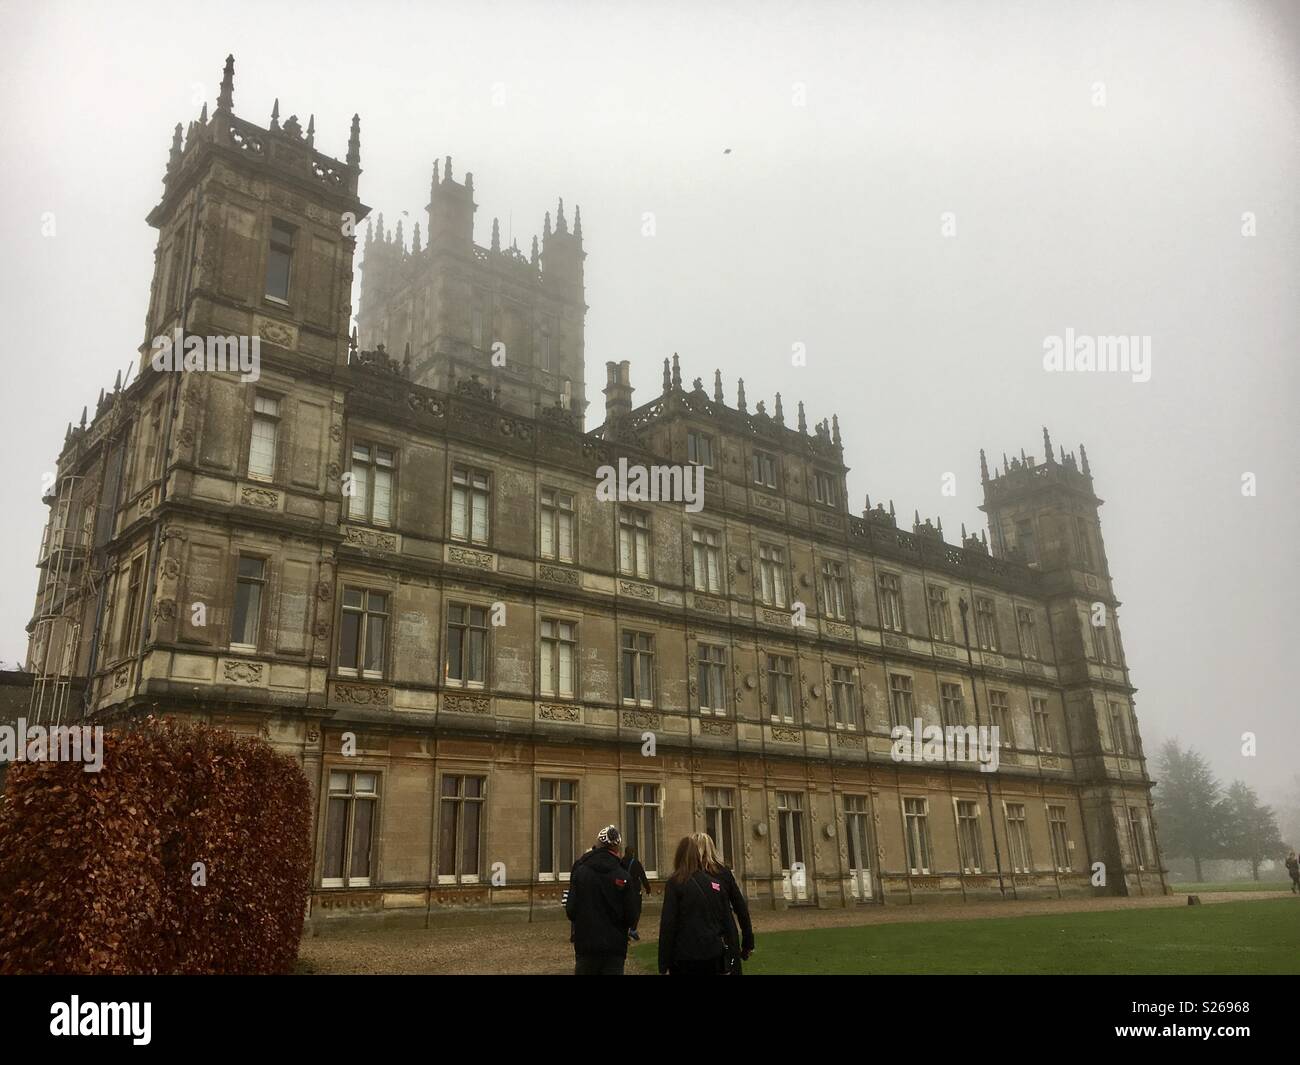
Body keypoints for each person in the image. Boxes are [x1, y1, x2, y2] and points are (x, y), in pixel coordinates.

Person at [565, 825, 642, 975]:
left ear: (598, 846)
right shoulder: (623, 876)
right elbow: (632, 916)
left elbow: (571, 910)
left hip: (586, 946)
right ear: (617, 848)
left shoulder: (580, 872)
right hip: (614, 948)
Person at [657, 835, 730, 975]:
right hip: (712, 954)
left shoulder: (675, 883)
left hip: (685, 956)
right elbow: (726, 922)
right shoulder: (715, 885)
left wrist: (663, 963)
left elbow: (668, 925)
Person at [692, 831, 754, 974]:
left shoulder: (688, 876)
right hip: (725, 936)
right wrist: (748, 943)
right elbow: (741, 909)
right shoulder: (724, 872)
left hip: (697, 940)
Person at [622, 845, 652, 940]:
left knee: (624, 910)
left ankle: (625, 931)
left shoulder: (621, 862)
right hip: (635, 890)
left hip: (623, 890)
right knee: (637, 910)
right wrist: (648, 888)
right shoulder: (636, 863)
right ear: (633, 853)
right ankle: (633, 929)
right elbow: (642, 876)